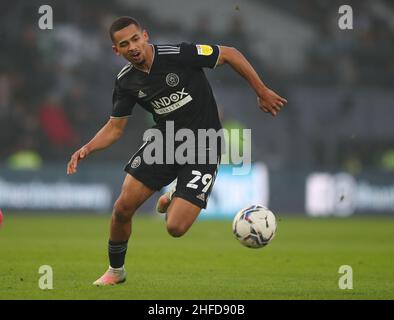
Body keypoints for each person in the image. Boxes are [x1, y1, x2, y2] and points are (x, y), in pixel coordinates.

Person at [66, 16, 287, 286]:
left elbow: (229, 53)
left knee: (175, 228)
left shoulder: (179, 54)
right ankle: (116, 271)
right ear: (117, 50)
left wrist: (261, 91)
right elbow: (114, 128)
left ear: (145, 36)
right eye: (124, 44)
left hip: (205, 144)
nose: (133, 46)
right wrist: (87, 147)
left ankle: (173, 195)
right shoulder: (126, 81)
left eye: (136, 39)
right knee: (122, 208)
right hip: (165, 143)